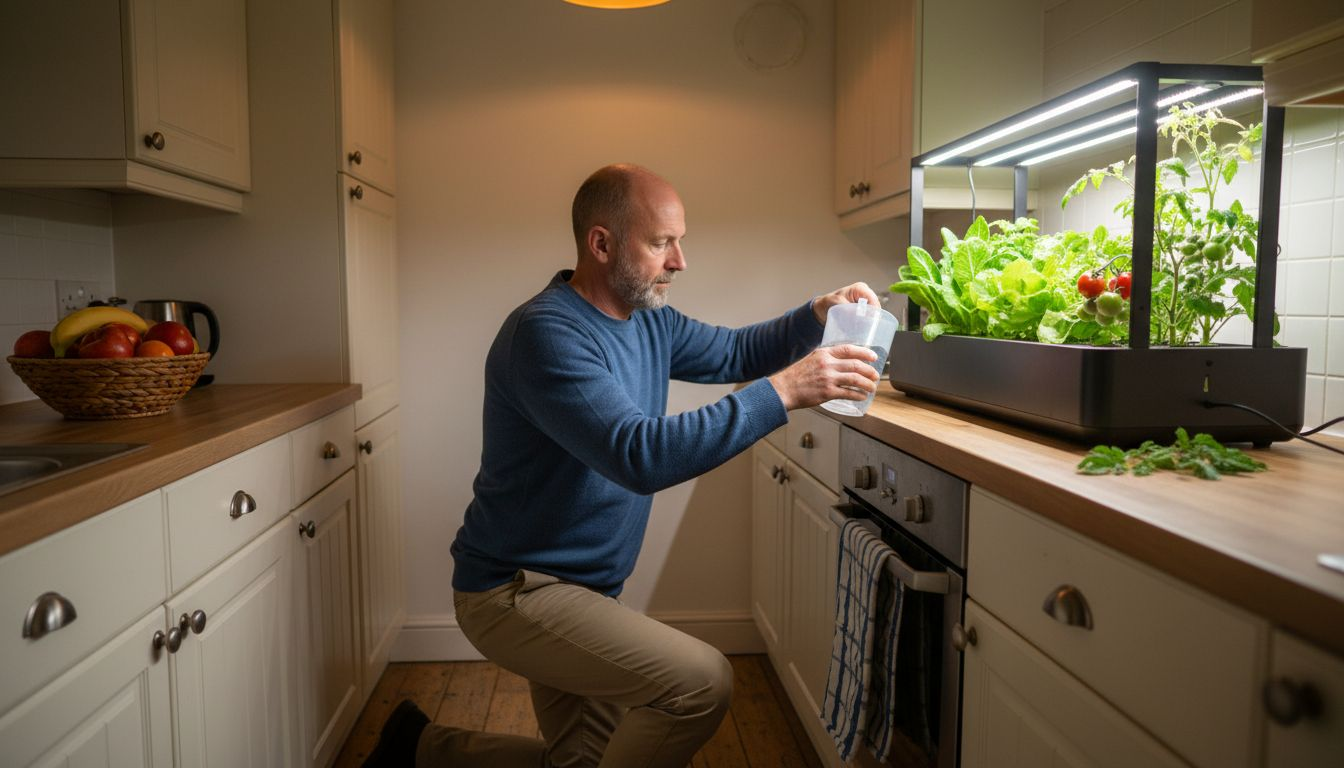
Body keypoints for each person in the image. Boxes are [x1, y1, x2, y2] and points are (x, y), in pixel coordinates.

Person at [364, 164, 881, 768]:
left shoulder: (648, 319)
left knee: (585, 762)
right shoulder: (547, 334)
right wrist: (787, 390)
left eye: (679, 241)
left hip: (585, 591)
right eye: (662, 243)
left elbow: (738, 350)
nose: (680, 261)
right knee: (701, 683)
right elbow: (639, 455)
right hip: (517, 592)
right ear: (601, 243)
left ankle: (418, 748)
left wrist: (817, 312)